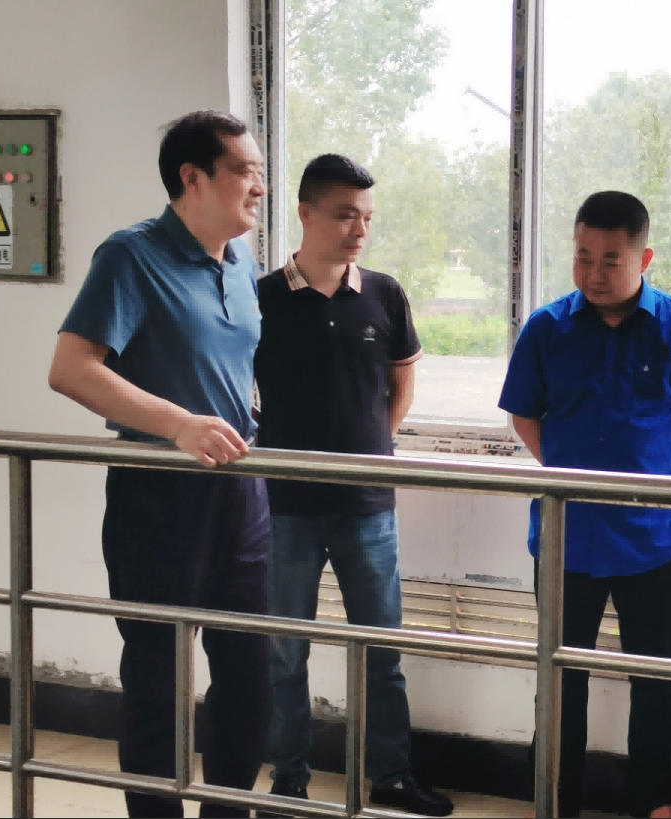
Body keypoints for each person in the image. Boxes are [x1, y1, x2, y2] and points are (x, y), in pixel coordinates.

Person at [47, 110, 269, 818]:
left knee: (250, 679)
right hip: (159, 494)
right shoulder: (131, 255)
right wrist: (178, 424)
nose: (259, 185)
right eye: (245, 170)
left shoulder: (242, 264)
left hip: (242, 494)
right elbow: (72, 369)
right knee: (159, 684)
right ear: (192, 177)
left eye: (260, 171)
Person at [498, 191, 671, 818]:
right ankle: (555, 799)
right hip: (566, 535)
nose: (594, 274)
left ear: (644, 259)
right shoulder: (546, 328)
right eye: (583, 257)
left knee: (654, 679)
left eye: (610, 261)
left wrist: (660, 474)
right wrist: (568, 474)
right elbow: (525, 415)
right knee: (559, 677)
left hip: (653, 538)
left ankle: (655, 802)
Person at [253, 154, 453, 817]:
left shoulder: (385, 293)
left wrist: (370, 453)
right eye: (345, 215)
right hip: (283, 505)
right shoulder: (261, 297)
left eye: (366, 217)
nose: (359, 229)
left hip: (368, 506)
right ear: (305, 213)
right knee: (284, 654)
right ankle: (289, 781)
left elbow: (401, 383)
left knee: (381, 652)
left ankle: (390, 777)